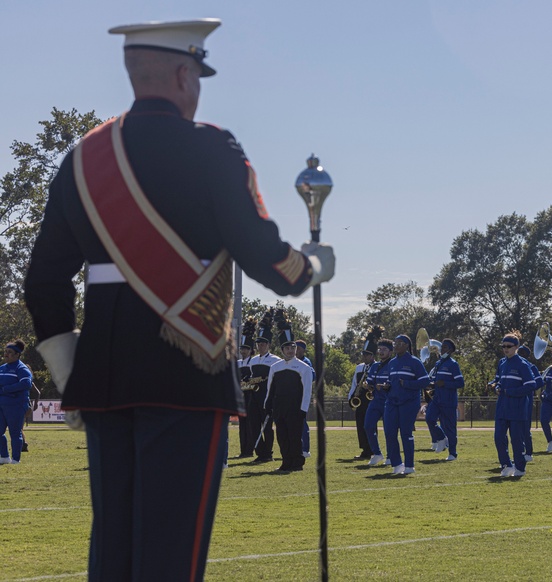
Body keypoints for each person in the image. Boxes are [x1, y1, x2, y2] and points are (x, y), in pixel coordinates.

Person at [22, 19, 335, 581]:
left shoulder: (83, 160)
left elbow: (44, 278)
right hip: (187, 373)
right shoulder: (214, 149)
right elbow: (266, 259)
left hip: (103, 381)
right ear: (184, 74)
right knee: (172, 557)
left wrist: (71, 373)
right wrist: (312, 266)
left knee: (112, 553)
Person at [263, 332, 313, 472]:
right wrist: (267, 405)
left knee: (295, 437)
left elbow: (307, 391)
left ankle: (297, 463)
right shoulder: (275, 367)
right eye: (287, 349)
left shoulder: (304, 368)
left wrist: (303, 409)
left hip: (295, 409)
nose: (290, 351)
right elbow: (270, 389)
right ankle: (286, 462)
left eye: (293, 348)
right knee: (282, 436)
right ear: (282, 350)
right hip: (279, 408)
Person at [491, 331, 538, 478]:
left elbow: (531, 385)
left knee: (516, 440)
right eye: (503, 346)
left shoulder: (522, 365)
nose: (506, 349)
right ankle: (506, 465)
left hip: (517, 408)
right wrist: (495, 386)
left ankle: (520, 467)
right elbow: (497, 380)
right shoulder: (502, 362)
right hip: (502, 407)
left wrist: (510, 391)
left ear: (516, 347)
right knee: (498, 436)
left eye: (509, 346)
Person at [383, 335, 430, 475]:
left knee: (405, 433)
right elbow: (391, 381)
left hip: (408, 403)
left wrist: (408, 384)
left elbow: (425, 381)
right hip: (392, 402)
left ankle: (409, 465)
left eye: (398, 343)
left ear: (406, 346)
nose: (395, 346)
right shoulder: (391, 363)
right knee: (390, 433)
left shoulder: (414, 362)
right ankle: (397, 464)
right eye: (394, 343)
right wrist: (387, 386)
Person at [425, 339, 464, 461]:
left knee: (450, 427)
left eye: (445, 347)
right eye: (442, 347)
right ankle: (441, 438)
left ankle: (453, 453)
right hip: (437, 398)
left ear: (451, 350)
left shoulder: (453, 364)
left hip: (449, 401)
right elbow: (436, 380)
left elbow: (460, 383)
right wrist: (431, 384)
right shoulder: (438, 363)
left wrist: (445, 383)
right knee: (429, 418)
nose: (442, 349)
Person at [248, 316, 280, 463]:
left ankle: (268, 453)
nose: (260, 346)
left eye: (263, 344)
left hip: (267, 397)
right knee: (254, 425)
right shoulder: (253, 360)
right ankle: (259, 452)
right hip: (254, 397)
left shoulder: (275, 360)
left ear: (268, 345)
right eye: (258, 344)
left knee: (267, 427)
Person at [348, 327, 380, 460]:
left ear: (373, 355)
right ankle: (364, 450)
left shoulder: (377, 366)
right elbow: (354, 384)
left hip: (372, 400)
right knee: (360, 425)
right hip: (360, 400)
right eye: (364, 354)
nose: (365, 357)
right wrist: (351, 397)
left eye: (367, 354)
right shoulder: (359, 367)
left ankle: (372, 449)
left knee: (370, 425)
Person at [0, 339, 33, 465]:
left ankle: (15, 459)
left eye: (9, 352)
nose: (6, 354)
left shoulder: (21, 368)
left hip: (16, 405)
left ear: (17, 355)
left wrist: (6, 389)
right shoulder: (2, 368)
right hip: (2, 404)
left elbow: (26, 384)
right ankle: (4, 456)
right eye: (5, 351)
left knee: (15, 432)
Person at [364, 338, 394, 466]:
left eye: (384, 349)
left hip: (388, 401)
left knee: (389, 430)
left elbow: (394, 384)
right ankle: (377, 453)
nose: (381, 352)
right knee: (368, 426)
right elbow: (371, 382)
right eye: (380, 349)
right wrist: (367, 385)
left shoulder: (393, 364)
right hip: (376, 400)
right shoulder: (375, 366)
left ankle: (391, 456)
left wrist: (385, 386)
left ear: (391, 352)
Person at [517, 344, 542, 461]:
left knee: (525, 427)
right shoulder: (513, 364)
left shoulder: (531, 367)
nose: (520, 355)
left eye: (523, 353)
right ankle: (520, 451)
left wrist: (528, 387)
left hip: (526, 398)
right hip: (514, 398)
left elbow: (539, 382)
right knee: (515, 428)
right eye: (519, 352)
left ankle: (528, 451)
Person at [236, 318, 257, 458]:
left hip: (250, 396)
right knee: (241, 424)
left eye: (245, 349)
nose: (243, 351)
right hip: (240, 397)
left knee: (250, 424)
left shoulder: (253, 363)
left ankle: (249, 450)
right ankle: (243, 449)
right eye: (242, 348)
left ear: (251, 350)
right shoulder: (237, 363)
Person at [294, 339, 314, 458]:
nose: (296, 351)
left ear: (303, 350)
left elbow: (312, 377)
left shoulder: (306, 362)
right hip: (293, 396)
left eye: (298, 348)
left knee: (302, 422)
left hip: (302, 396)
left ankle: (305, 449)